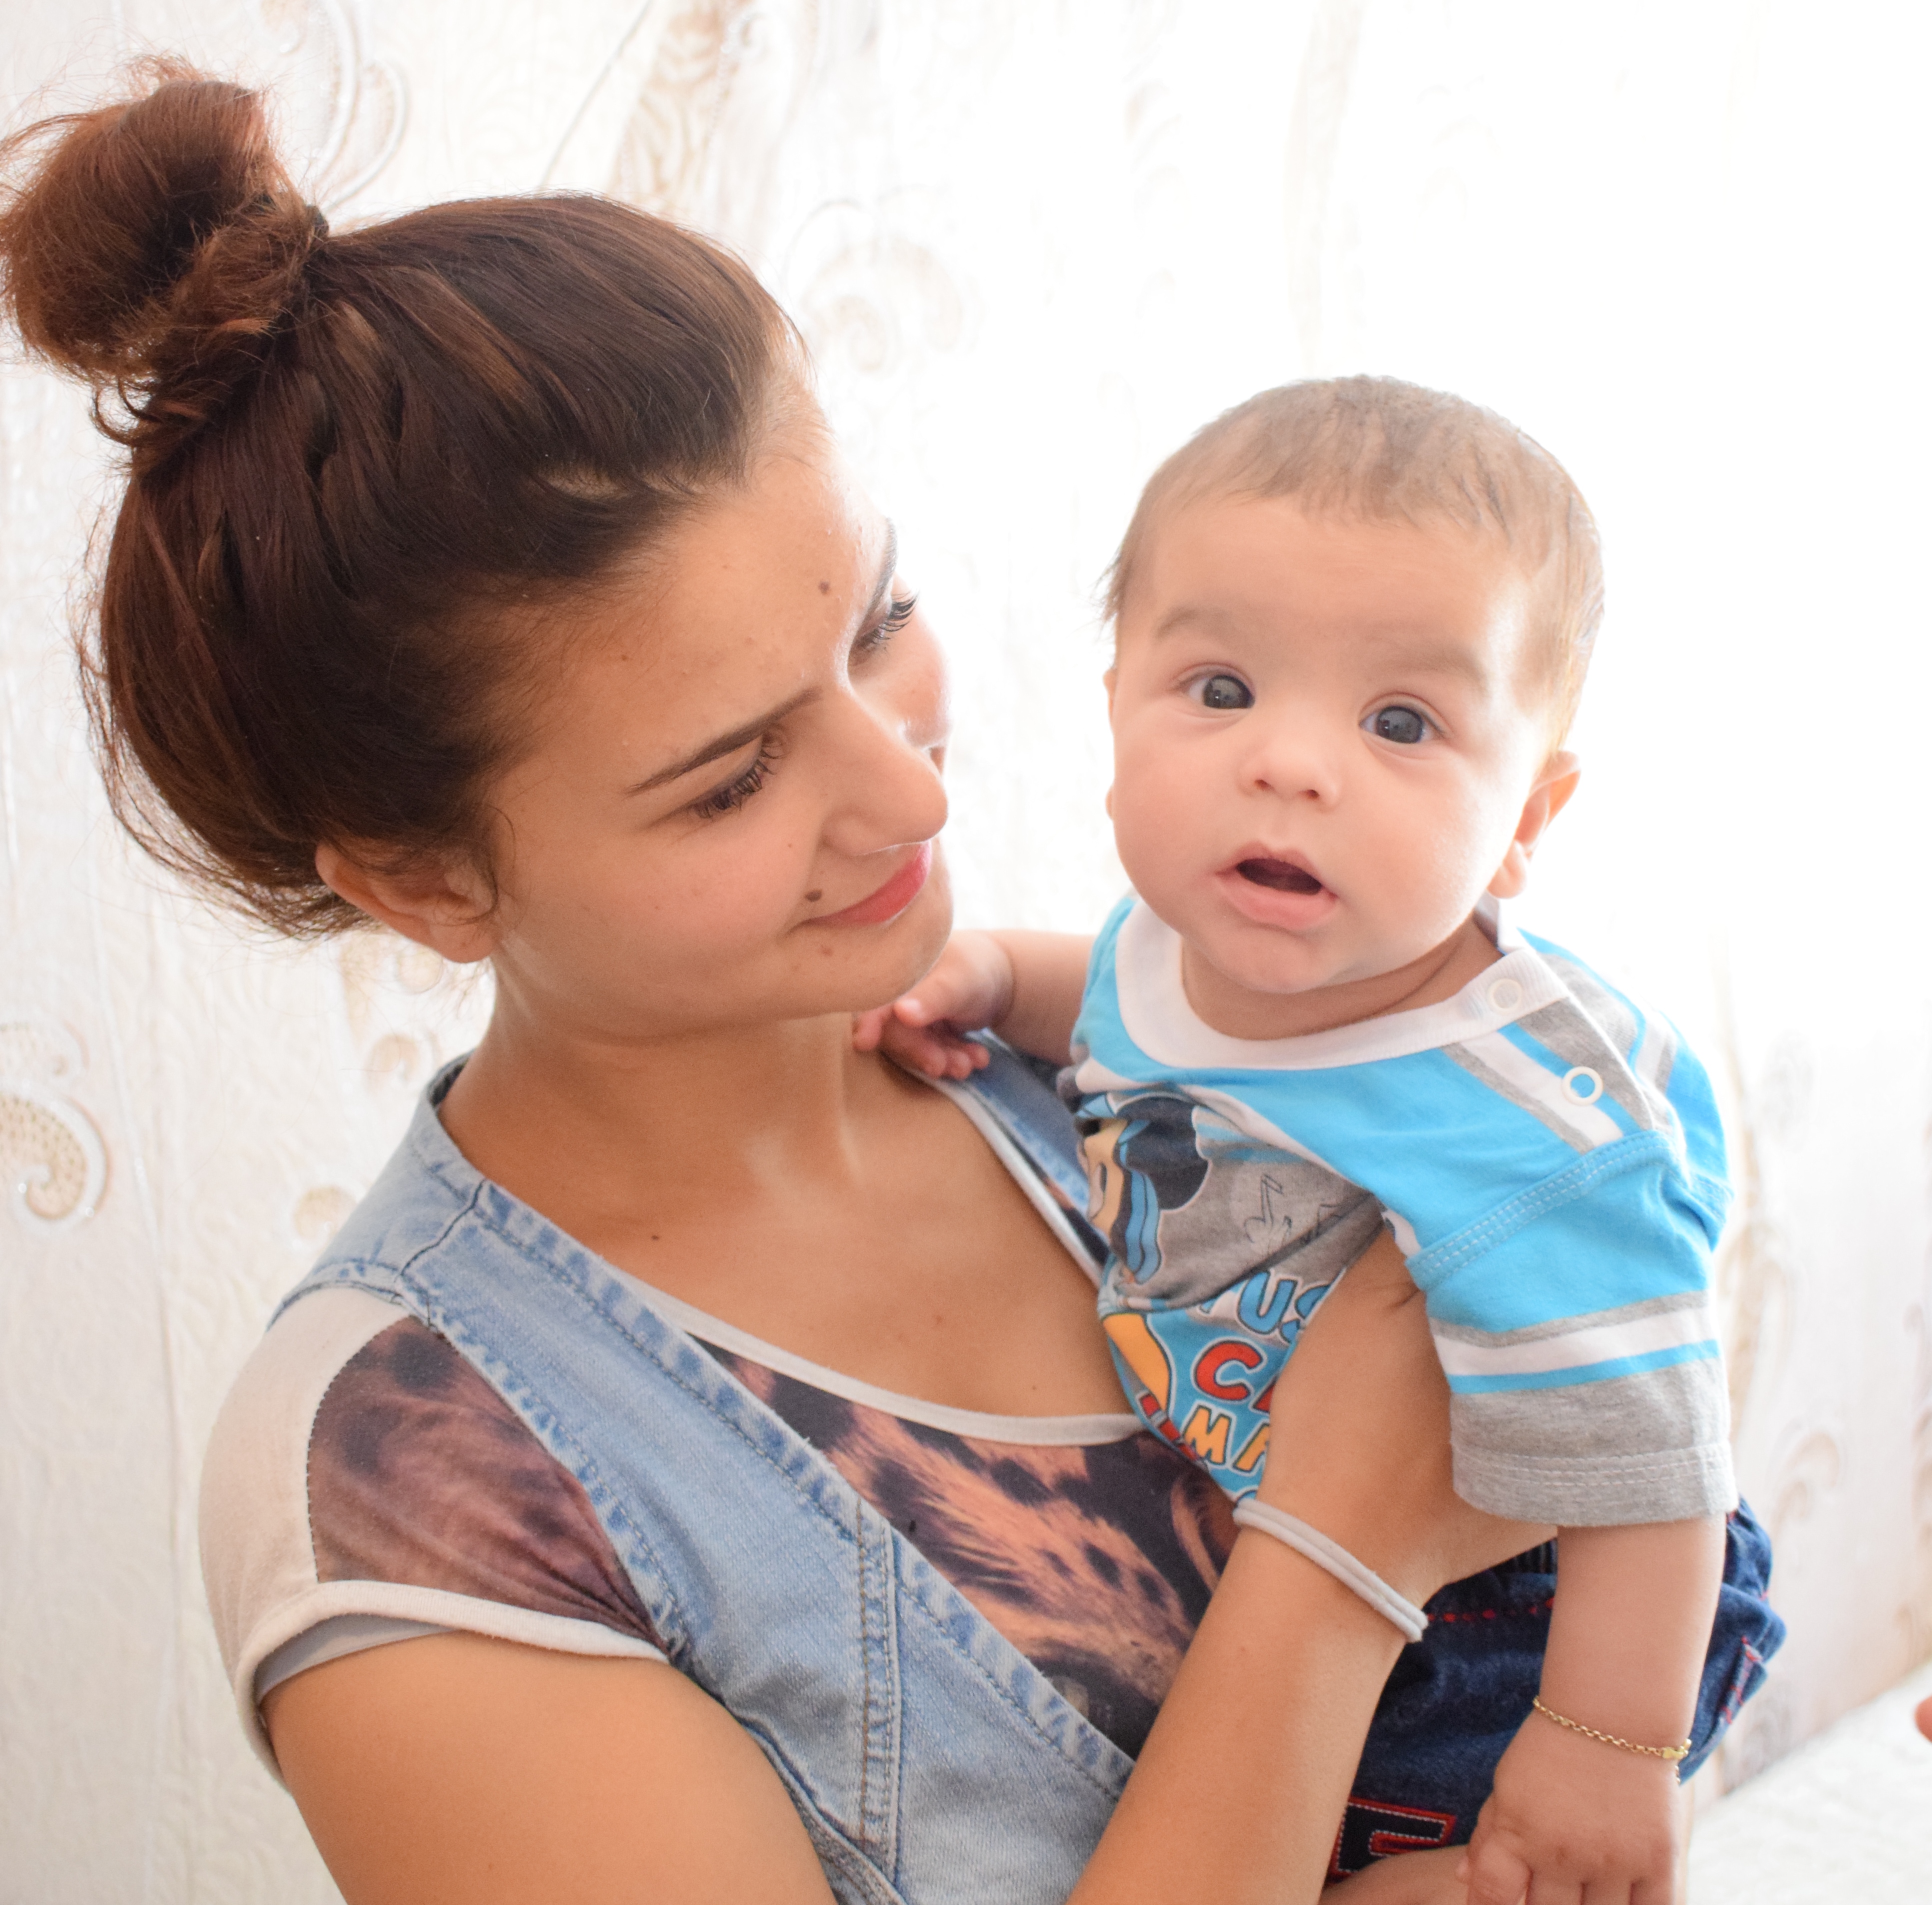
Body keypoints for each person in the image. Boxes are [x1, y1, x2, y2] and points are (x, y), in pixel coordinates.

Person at [0, 66, 1691, 1904]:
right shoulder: (420, 1483)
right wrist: (1339, 1555)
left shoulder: (1075, 1045)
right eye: (731, 776)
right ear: (423, 882)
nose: (912, 789)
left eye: (876, 618)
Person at [862, 380, 1783, 1902]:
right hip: (1314, 1546)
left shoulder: (1527, 1106)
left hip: (1539, 1598)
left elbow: (1652, 1450)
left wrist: (1602, 1743)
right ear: (1112, 708)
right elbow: (1099, 993)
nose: (1288, 761)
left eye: (1401, 721)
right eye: (1219, 688)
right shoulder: (1171, 949)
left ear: (1524, 818)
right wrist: (984, 982)